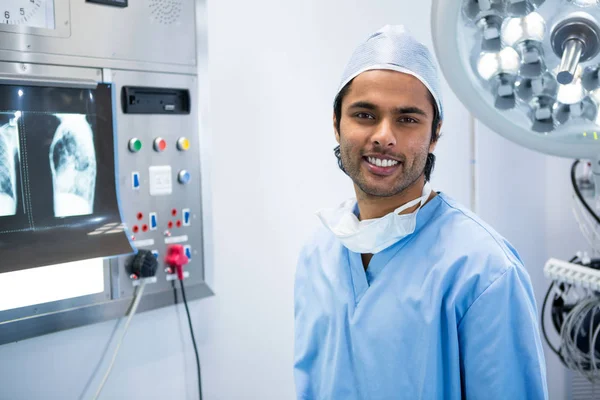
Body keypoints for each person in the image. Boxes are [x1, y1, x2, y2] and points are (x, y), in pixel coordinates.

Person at [293, 25, 548, 400]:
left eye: (407, 119)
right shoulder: (317, 256)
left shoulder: (483, 271)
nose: (384, 136)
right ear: (336, 124)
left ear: (435, 133)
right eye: (364, 115)